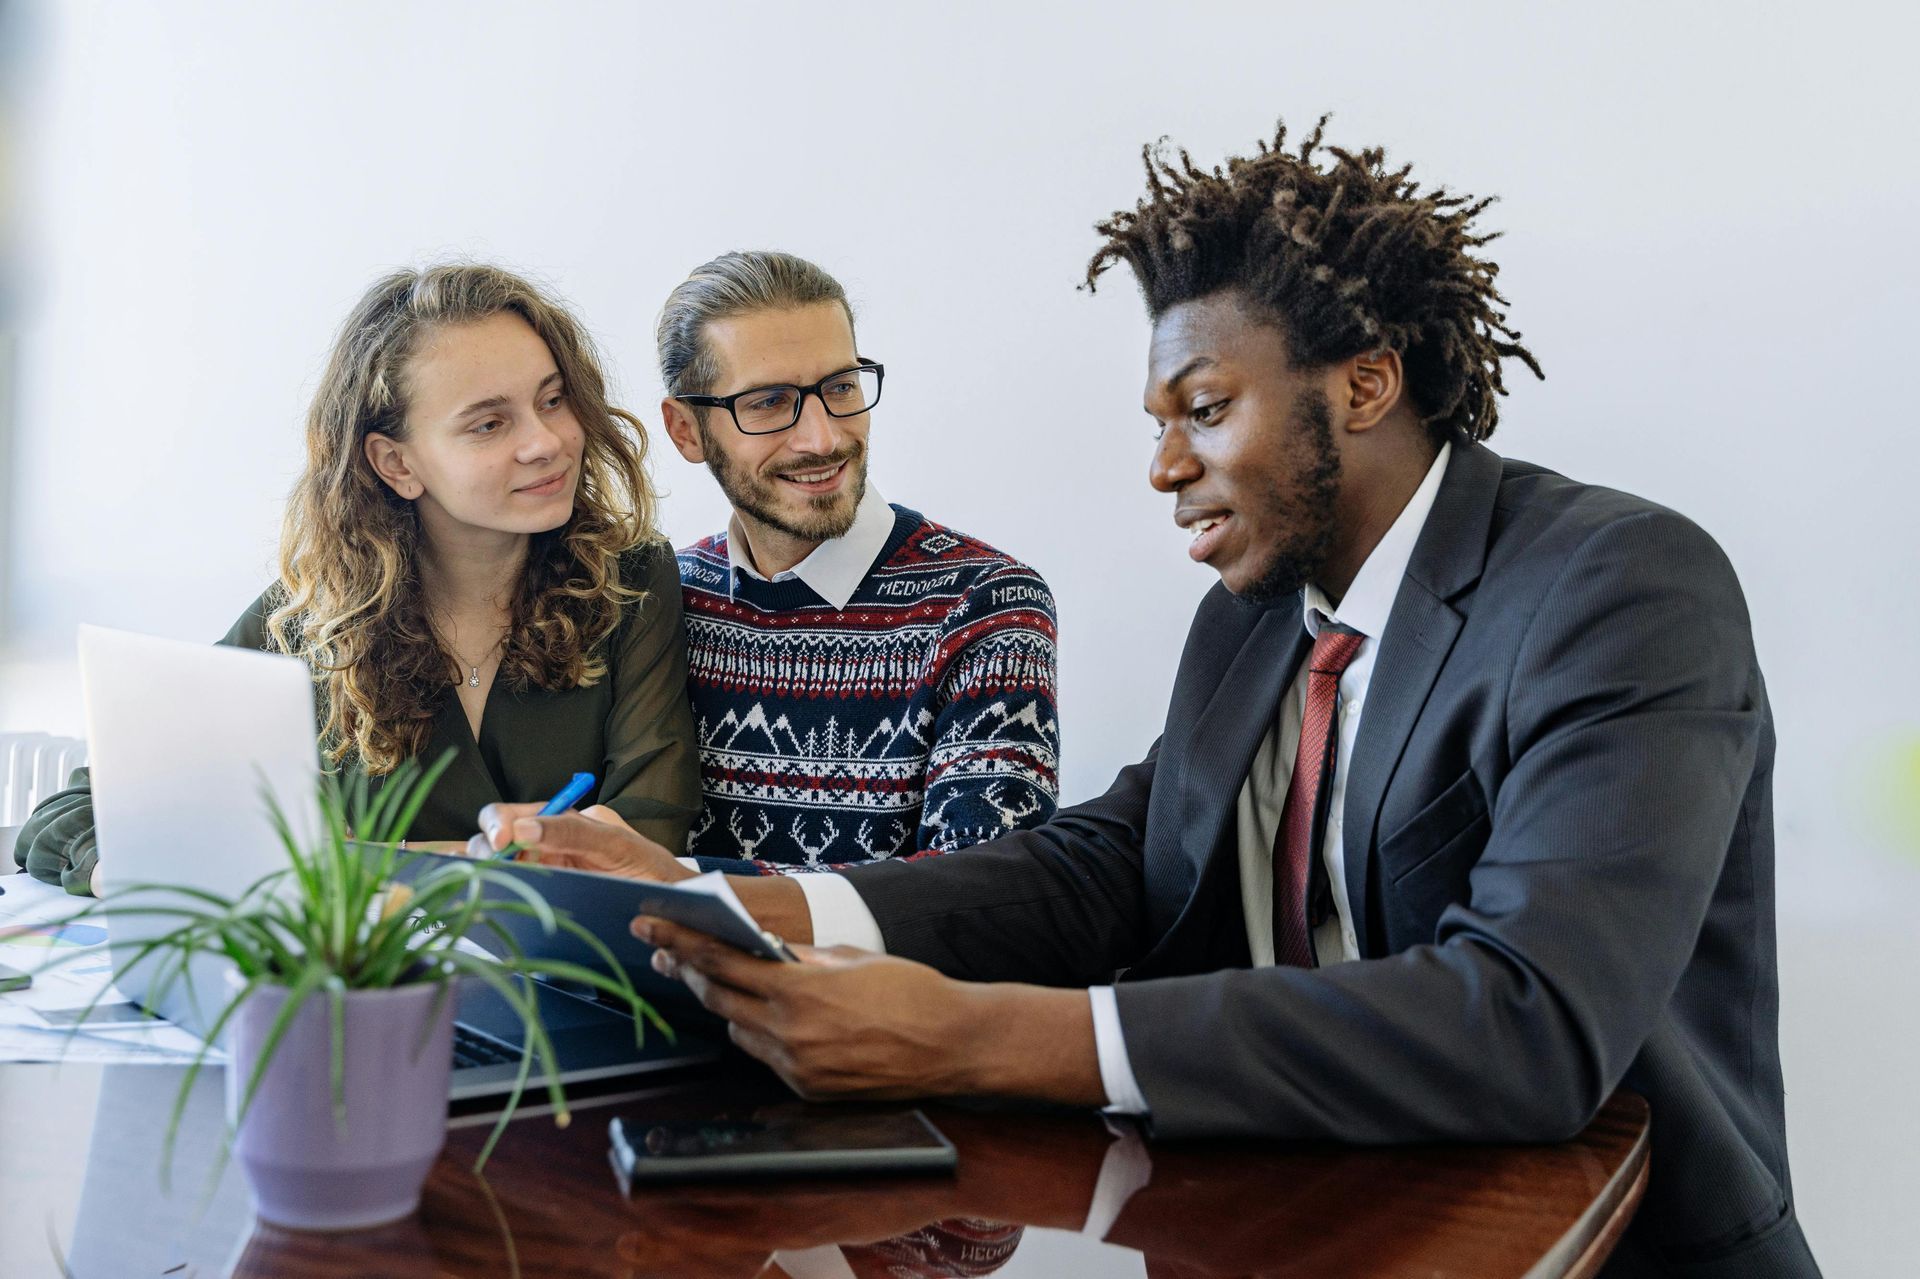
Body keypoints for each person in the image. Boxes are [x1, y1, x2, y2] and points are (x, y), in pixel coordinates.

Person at [475, 123, 1818, 1276]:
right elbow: (1111, 860)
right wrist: (742, 908)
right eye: (1156, 418)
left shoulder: (1622, 584)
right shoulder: (1253, 616)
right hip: (1294, 1218)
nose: (1166, 464)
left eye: (1205, 407)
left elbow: (1524, 1021)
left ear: (1365, 383)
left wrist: (982, 1031)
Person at [17, 263, 700, 895]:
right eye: (490, 423)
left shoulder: (632, 581)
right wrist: (128, 875)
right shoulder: (315, 615)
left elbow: (646, 835)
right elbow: (78, 813)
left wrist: (354, 865)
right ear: (395, 463)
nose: (546, 441)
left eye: (554, 401)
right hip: (366, 997)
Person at [653, 250, 1060, 872]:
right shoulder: (660, 600)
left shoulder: (987, 606)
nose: (824, 438)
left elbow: (973, 904)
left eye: (840, 387)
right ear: (685, 431)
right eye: (768, 402)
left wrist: (677, 883)